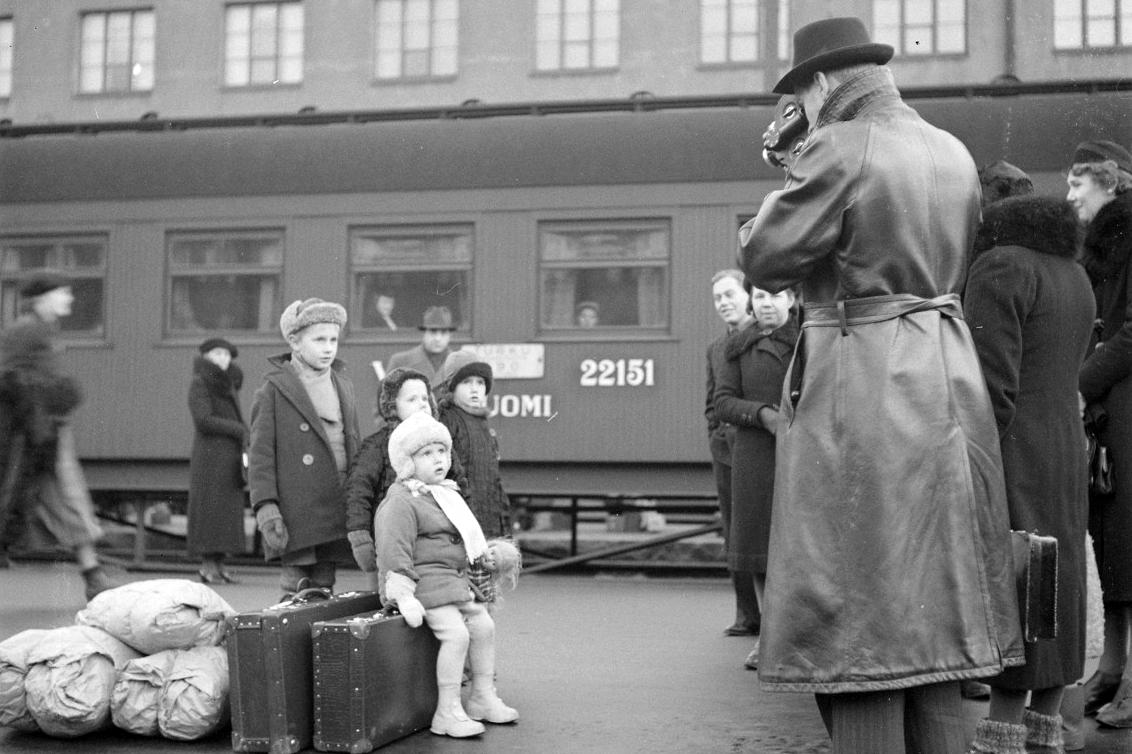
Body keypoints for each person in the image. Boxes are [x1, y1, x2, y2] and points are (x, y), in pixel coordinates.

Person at [738, 17, 1023, 753]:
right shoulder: (951, 150)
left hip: (862, 373)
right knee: (934, 611)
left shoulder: (838, 143)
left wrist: (788, 160)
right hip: (945, 375)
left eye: (798, 90)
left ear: (822, 83)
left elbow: (768, 257)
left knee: (856, 614)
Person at [965, 194, 1095, 752]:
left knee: (1018, 574)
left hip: (1013, 448)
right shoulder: (1074, 275)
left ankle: (999, 730)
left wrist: (968, 460)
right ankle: (1044, 725)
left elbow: (989, 385)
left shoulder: (1001, 267)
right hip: (1064, 444)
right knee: (1056, 574)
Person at [375, 411, 518, 738]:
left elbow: (467, 539)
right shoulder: (401, 500)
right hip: (425, 586)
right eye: (426, 454)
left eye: (442, 451)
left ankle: (482, 697)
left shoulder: (445, 493)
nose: (438, 459)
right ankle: (447, 710)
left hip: (454, 583)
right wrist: (402, 591)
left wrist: (486, 556)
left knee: (483, 625)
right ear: (407, 462)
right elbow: (392, 548)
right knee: (457, 635)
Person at [0, 270, 116, 600]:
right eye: (63, 292)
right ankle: (93, 575)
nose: (70, 298)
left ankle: (93, 574)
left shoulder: (40, 330)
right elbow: (9, 375)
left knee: (64, 496)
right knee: (59, 495)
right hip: (33, 433)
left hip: (44, 430)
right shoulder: (27, 331)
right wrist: (57, 394)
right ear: (43, 298)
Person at [1072, 139, 1132, 728]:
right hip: (1110, 413)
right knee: (1111, 543)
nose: (1068, 196)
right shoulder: (1097, 249)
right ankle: (1111, 669)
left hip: (1124, 405)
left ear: (1109, 183)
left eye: (1077, 185)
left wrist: (1079, 385)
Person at [248, 298, 360, 598]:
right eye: (319, 339)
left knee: (324, 583)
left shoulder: (342, 384)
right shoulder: (274, 388)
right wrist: (266, 506)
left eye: (333, 339)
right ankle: (289, 640)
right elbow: (260, 456)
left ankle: (319, 642)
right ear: (295, 343)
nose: (328, 348)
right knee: (293, 583)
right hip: (295, 510)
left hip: (334, 504)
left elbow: (353, 444)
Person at [713, 282, 798, 671]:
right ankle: (769, 637)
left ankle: (799, 635)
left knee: (797, 545)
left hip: (801, 452)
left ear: (792, 299)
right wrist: (764, 415)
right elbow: (723, 401)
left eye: (776, 296)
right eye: (760, 296)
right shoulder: (736, 347)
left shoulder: (808, 340)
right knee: (760, 550)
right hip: (757, 457)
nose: (767, 304)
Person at [344, 367, 441, 589]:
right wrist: (360, 536)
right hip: (385, 543)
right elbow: (358, 492)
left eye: (425, 398)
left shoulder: (439, 445)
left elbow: (457, 485)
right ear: (391, 406)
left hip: (429, 544)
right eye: (412, 399)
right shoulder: (377, 446)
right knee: (384, 600)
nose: (421, 404)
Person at [704, 269, 761, 638]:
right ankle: (746, 614)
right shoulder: (715, 349)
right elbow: (712, 402)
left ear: (748, 296)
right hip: (726, 452)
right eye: (718, 299)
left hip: (757, 449)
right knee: (734, 531)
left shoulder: (763, 339)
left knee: (758, 529)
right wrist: (716, 435)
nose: (724, 303)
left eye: (730, 295)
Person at [187, 337, 248, 585]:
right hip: (210, 458)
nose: (223, 358)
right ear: (207, 357)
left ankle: (219, 565)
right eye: (217, 354)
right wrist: (239, 429)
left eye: (226, 354)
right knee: (211, 512)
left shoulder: (228, 384)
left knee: (224, 514)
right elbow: (203, 419)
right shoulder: (200, 382)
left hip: (227, 456)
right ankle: (207, 566)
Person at [434, 350, 511, 538]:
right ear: (451, 387)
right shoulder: (447, 420)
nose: (475, 389)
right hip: (460, 525)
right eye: (467, 382)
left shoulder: (483, 424)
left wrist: (504, 527)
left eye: (480, 382)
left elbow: (494, 481)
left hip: (487, 522)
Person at [387, 306, 457, 385]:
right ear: (423, 333)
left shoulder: (460, 364)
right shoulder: (400, 362)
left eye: (443, 332)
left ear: (450, 335)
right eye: (433, 332)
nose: (438, 338)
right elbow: (387, 395)